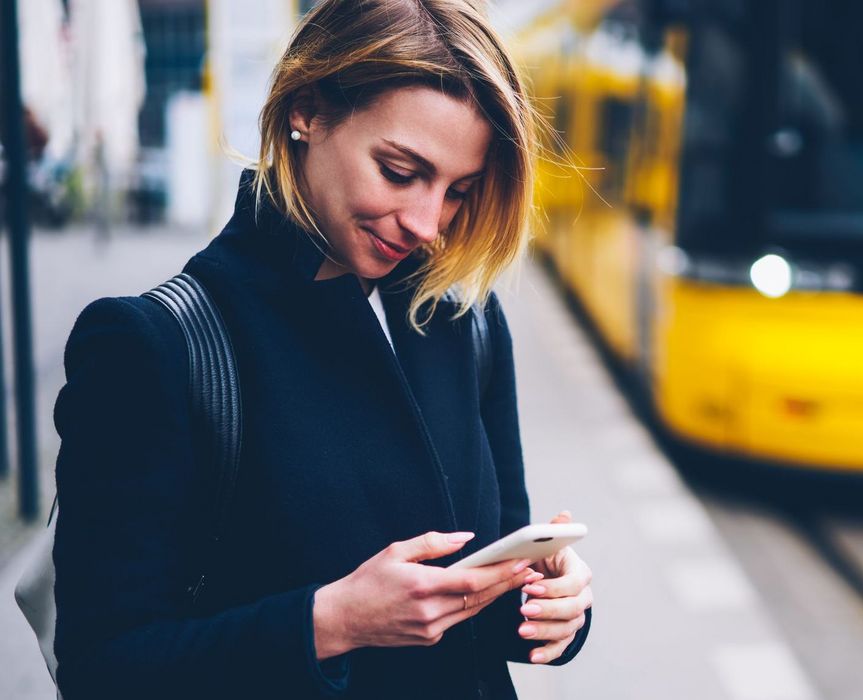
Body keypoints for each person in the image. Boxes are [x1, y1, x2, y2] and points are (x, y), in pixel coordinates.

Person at [51, 1, 593, 697]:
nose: (428, 225)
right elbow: (103, 668)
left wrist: (553, 604)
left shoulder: (465, 322)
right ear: (306, 110)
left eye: (458, 191)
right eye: (400, 172)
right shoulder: (157, 346)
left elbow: (485, 588)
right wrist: (328, 622)